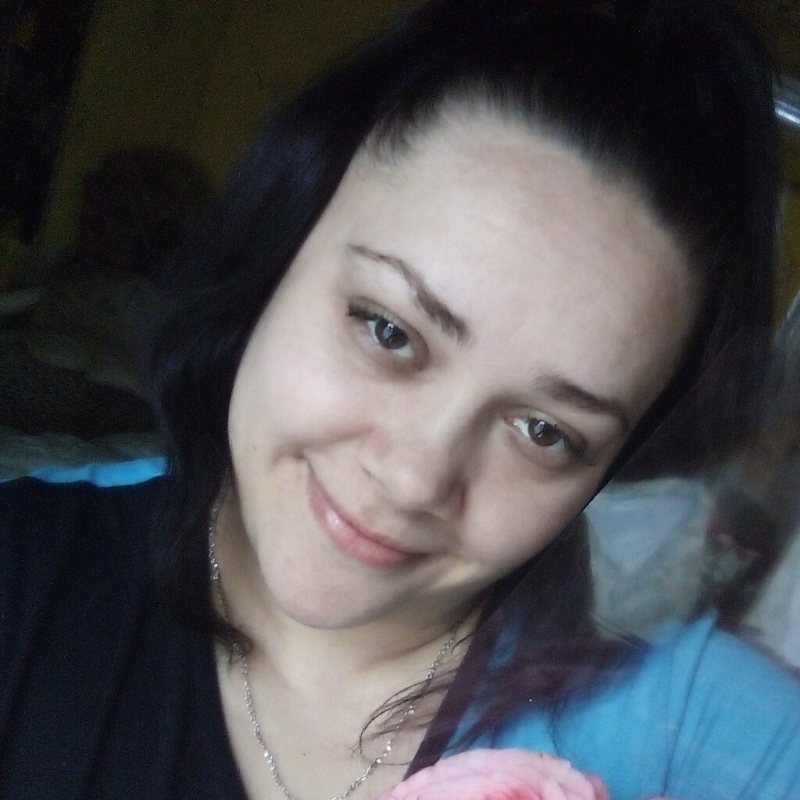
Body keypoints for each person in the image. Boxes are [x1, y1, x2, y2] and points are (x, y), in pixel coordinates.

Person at [1, 1, 798, 799]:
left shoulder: (712, 739)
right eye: (389, 331)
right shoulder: (26, 575)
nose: (415, 480)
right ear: (281, 248)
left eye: (544, 431)